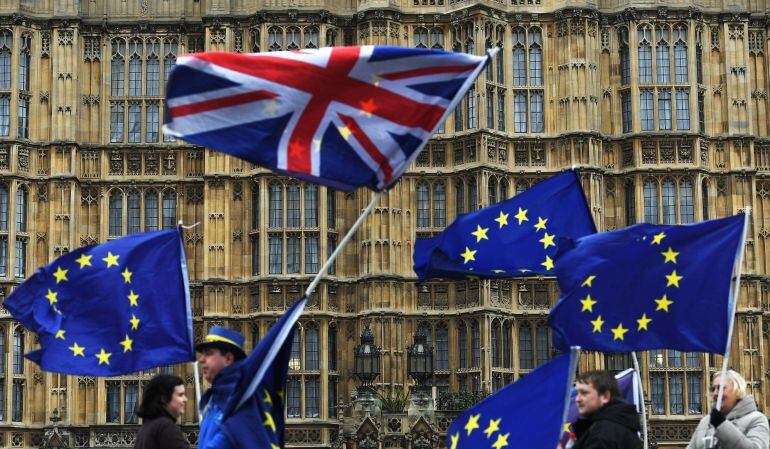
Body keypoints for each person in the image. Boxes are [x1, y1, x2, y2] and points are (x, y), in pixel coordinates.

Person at [687, 370, 769, 449]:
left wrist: (721, 424)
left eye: (721, 388)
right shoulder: (705, 421)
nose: (715, 393)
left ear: (737, 391)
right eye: (713, 389)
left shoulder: (757, 419)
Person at [196, 326, 248, 449]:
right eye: (202, 354)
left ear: (228, 359)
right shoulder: (216, 398)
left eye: (208, 354)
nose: (201, 359)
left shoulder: (238, 397)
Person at [569, 370, 642, 449]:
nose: (577, 399)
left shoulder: (602, 434)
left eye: (584, 393)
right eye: (577, 393)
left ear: (605, 396)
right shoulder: (621, 425)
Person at [134, 374, 190, 449]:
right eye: (180, 395)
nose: (185, 399)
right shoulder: (165, 427)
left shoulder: (145, 429)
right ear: (164, 398)